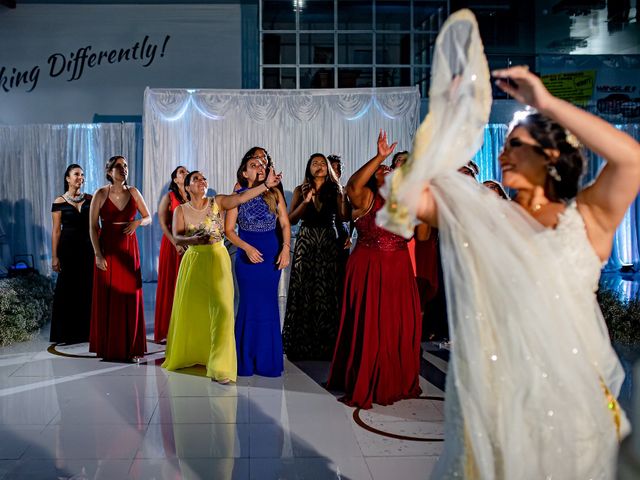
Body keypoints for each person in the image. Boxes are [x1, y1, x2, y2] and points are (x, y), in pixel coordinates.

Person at [414, 66, 640, 478]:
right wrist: (447, 119)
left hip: (575, 403)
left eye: (516, 145)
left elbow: (630, 157)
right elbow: (412, 194)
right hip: (499, 401)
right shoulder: (486, 219)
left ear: (550, 155)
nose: (503, 154)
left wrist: (546, 103)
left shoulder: (588, 219)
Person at [327, 131, 422, 409]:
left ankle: (396, 379)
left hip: (400, 269)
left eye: (389, 166)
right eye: (383, 169)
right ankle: (369, 378)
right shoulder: (366, 196)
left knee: (397, 326)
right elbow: (353, 184)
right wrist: (379, 156)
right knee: (371, 325)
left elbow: (423, 235)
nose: (388, 169)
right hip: (370, 267)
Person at [162, 168, 282, 383]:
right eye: (195, 179)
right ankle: (195, 355)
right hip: (194, 261)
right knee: (194, 310)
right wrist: (194, 241)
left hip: (218, 259)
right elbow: (178, 237)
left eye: (203, 178)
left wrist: (265, 185)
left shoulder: (217, 202)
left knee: (223, 310)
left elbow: (241, 197)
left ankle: (220, 365)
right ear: (187, 187)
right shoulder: (180, 210)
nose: (201, 181)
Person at [225, 147, 291, 377]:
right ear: (244, 173)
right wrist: (247, 247)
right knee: (248, 305)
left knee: (269, 305)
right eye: (253, 165)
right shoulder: (238, 193)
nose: (259, 167)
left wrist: (286, 248)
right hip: (247, 255)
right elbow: (229, 230)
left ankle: (267, 361)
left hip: (271, 255)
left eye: (262, 165)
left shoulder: (274, 193)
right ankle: (245, 360)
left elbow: (284, 224)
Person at [282, 153, 348, 360]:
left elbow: (344, 216)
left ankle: (327, 345)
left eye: (322, 163)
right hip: (306, 241)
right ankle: (302, 344)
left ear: (328, 168)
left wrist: (343, 195)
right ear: (308, 168)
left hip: (328, 241)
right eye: (314, 163)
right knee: (304, 288)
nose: (318, 166)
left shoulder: (336, 189)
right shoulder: (298, 190)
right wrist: (305, 201)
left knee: (327, 290)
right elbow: (291, 220)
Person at [89, 155, 151, 362]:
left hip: (128, 250)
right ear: (109, 171)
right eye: (118, 166)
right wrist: (98, 254)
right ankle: (109, 348)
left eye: (125, 165)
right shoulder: (100, 193)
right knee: (109, 297)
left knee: (130, 297)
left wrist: (138, 222)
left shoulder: (134, 192)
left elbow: (149, 217)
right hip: (107, 246)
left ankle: (132, 348)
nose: (123, 169)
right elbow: (92, 226)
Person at [50, 164, 94, 344]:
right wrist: (54, 256)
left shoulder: (91, 199)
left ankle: (87, 331)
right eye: (76, 174)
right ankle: (65, 334)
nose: (80, 178)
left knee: (87, 287)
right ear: (67, 178)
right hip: (67, 250)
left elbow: (95, 226)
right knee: (67, 289)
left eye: (82, 175)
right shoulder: (58, 202)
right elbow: (56, 231)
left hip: (87, 249)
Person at [154, 165, 189, 344]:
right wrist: (176, 243)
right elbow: (162, 223)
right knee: (172, 284)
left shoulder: (194, 196)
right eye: (181, 172)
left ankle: (186, 327)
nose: (186, 173)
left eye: (187, 171)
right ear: (175, 179)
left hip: (191, 245)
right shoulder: (169, 197)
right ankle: (168, 329)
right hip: (172, 245)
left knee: (188, 286)